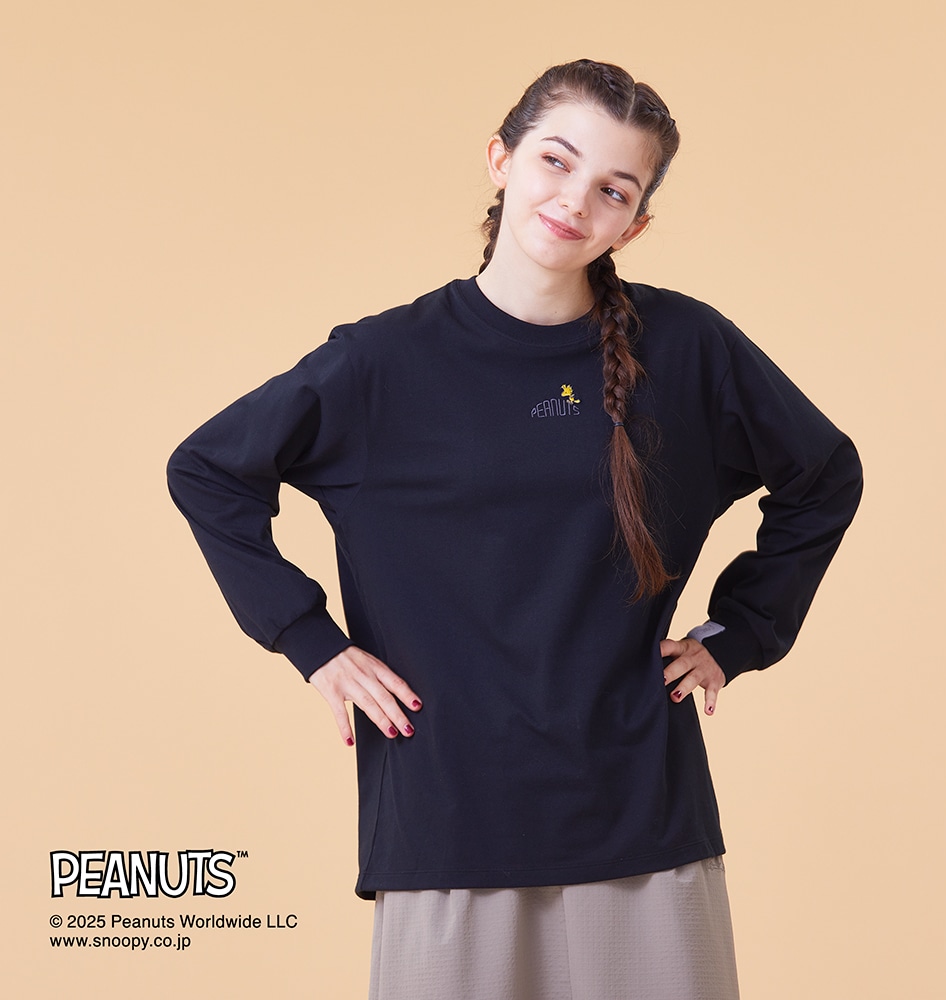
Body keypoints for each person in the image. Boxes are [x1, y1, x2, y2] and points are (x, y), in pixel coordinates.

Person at [167, 58, 862, 1000]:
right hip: (446, 822)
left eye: (614, 189)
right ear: (500, 159)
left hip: (642, 816)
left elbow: (825, 475)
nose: (575, 200)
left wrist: (741, 633)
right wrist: (309, 640)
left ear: (635, 224)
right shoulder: (381, 363)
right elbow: (207, 469)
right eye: (555, 161)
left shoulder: (689, 349)